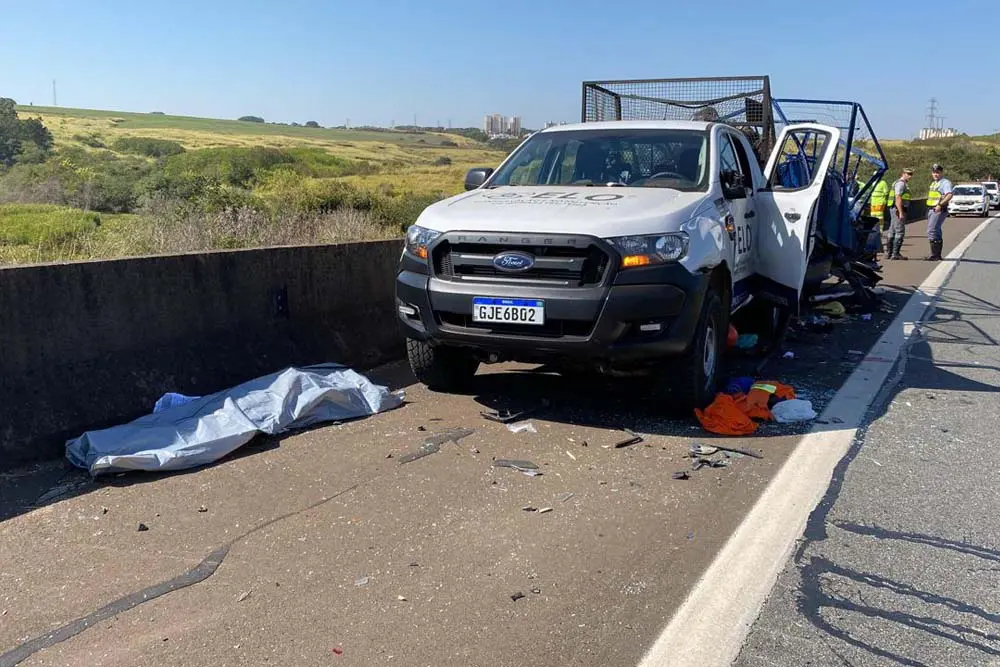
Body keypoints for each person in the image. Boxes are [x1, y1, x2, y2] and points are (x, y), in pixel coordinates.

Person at [925, 163, 953, 261]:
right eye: (934, 172)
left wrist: (940, 205)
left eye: (937, 172)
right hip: (932, 208)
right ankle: (936, 254)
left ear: (941, 172)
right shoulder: (934, 183)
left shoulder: (945, 183)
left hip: (939, 209)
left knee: (931, 230)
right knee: (936, 230)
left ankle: (935, 255)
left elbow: (949, 195)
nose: (935, 174)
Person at [886, 168, 914, 260]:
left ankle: (889, 253)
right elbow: (898, 197)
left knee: (892, 230)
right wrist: (901, 212)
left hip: (894, 209)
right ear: (903, 174)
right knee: (900, 231)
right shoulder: (901, 184)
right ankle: (895, 253)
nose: (910, 176)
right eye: (908, 174)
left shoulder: (897, 182)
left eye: (911, 174)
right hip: (898, 209)